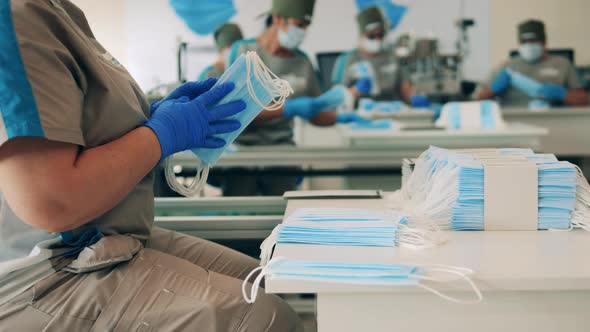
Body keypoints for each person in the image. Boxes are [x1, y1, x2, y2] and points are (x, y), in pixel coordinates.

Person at [0, 1, 302, 331]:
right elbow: (50, 201)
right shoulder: (16, 15)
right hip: (53, 263)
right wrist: (162, 133)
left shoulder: (61, 14)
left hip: (111, 234)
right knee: (267, 318)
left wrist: (155, 115)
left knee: (263, 281)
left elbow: (85, 123)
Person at [218, 0, 366, 196]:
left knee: (279, 214)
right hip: (242, 151)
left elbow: (315, 113)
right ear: (279, 18)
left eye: (306, 26)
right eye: (299, 25)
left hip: (282, 153)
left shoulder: (302, 62)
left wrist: (339, 118)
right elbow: (237, 109)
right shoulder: (244, 52)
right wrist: (288, 109)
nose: (303, 31)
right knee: (238, 218)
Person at [332, 6, 429, 107]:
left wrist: (414, 98)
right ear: (361, 35)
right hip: (360, 114)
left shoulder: (393, 57)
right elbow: (337, 97)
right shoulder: (347, 59)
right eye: (372, 36)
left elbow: (405, 88)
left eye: (380, 35)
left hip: (393, 111)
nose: (377, 39)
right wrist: (355, 91)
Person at [477, 19, 588, 107]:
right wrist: (494, 89)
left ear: (544, 42)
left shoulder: (563, 64)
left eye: (533, 40)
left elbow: (584, 101)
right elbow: (478, 99)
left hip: (553, 119)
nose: (529, 45)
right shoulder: (506, 66)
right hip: (513, 119)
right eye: (524, 42)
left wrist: (563, 94)